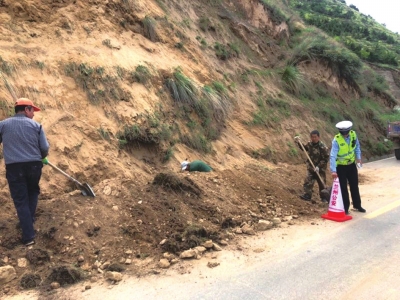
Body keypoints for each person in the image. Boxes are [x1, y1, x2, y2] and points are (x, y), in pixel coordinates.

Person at [0, 98, 50, 246]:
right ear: (27, 109)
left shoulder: (3, 125)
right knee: (33, 192)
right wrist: (42, 157)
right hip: (34, 165)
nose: (33, 114)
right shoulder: (37, 126)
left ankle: (28, 237)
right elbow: (45, 147)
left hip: (14, 167)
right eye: (32, 111)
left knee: (21, 200)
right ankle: (28, 221)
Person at [330, 120, 365, 214]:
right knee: (343, 188)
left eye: (346, 133)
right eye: (343, 133)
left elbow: (357, 146)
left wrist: (358, 158)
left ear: (349, 130)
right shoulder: (336, 140)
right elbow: (333, 155)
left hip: (351, 165)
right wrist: (333, 170)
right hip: (341, 167)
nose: (345, 135)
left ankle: (357, 205)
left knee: (354, 185)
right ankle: (345, 208)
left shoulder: (353, 135)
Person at [295, 130, 330, 202]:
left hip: (320, 169)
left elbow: (326, 158)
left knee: (321, 183)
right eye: (312, 137)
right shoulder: (309, 144)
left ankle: (323, 197)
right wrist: (299, 142)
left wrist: (319, 167)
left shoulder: (322, 147)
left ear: (318, 137)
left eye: (315, 137)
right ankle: (307, 195)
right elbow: (304, 148)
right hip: (311, 167)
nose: (313, 138)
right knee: (308, 181)